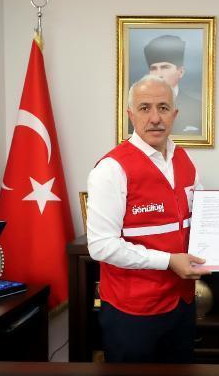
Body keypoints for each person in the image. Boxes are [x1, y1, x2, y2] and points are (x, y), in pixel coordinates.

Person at [86, 75, 210, 363]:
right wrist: (168, 261)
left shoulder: (184, 160)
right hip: (132, 312)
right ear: (131, 115)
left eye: (163, 108)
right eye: (145, 108)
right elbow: (101, 246)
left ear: (174, 114)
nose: (155, 118)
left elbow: (204, 213)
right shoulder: (111, 169)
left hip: (181, 302)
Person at [143, 34, 202, 135]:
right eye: (154, 68)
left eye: (165, 67)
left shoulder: (198, 108)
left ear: (181, 72)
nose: (158, 74)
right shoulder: (138, 108)